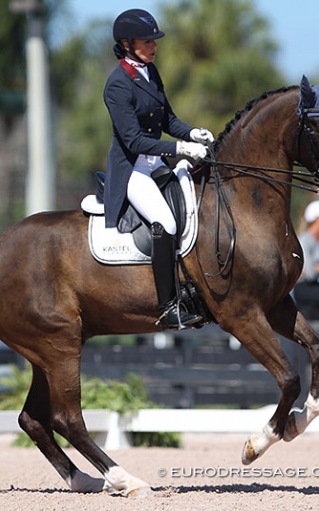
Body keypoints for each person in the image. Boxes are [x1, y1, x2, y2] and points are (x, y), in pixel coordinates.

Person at [103, 9, 214, 330]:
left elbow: (168, 121)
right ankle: (168, 307)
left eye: (154, 41)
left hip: (157, 165)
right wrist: (180, 148)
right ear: (126, 44)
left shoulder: (150, 72)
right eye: (146, 41)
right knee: (164, 221)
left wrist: (193, 132)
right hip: (133, 170)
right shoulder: (118, 85)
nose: (153, 46)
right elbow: (134, 141)